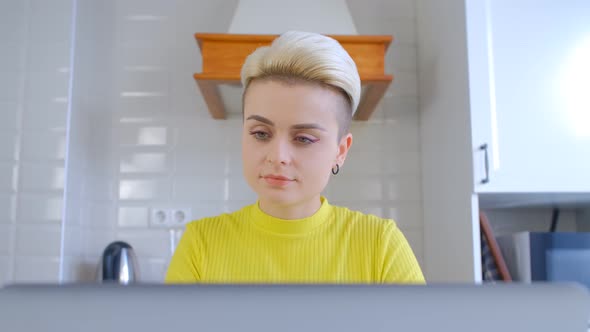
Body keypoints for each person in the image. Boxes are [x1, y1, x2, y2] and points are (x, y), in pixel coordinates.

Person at [165, 31, 425, 284]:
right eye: (260, 133)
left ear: (340, 151)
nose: (278, 157)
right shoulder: (201, 243)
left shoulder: (380, 244)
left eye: (303, 139)